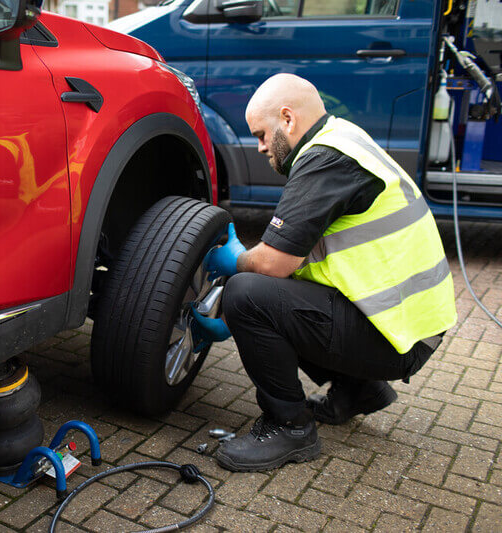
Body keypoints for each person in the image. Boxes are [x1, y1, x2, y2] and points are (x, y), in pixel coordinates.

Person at [192, 73, 457, 472]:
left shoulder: (324, 159)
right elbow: (303, 267)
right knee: (273, 296)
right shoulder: (342, 137)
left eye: (262, 134)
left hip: (398, 337)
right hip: (406, 326)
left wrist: (233, 261)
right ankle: (358, 390)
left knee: (247, 292)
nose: (260, 146)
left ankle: (289, 427)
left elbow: (272, 264)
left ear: (287, 119)